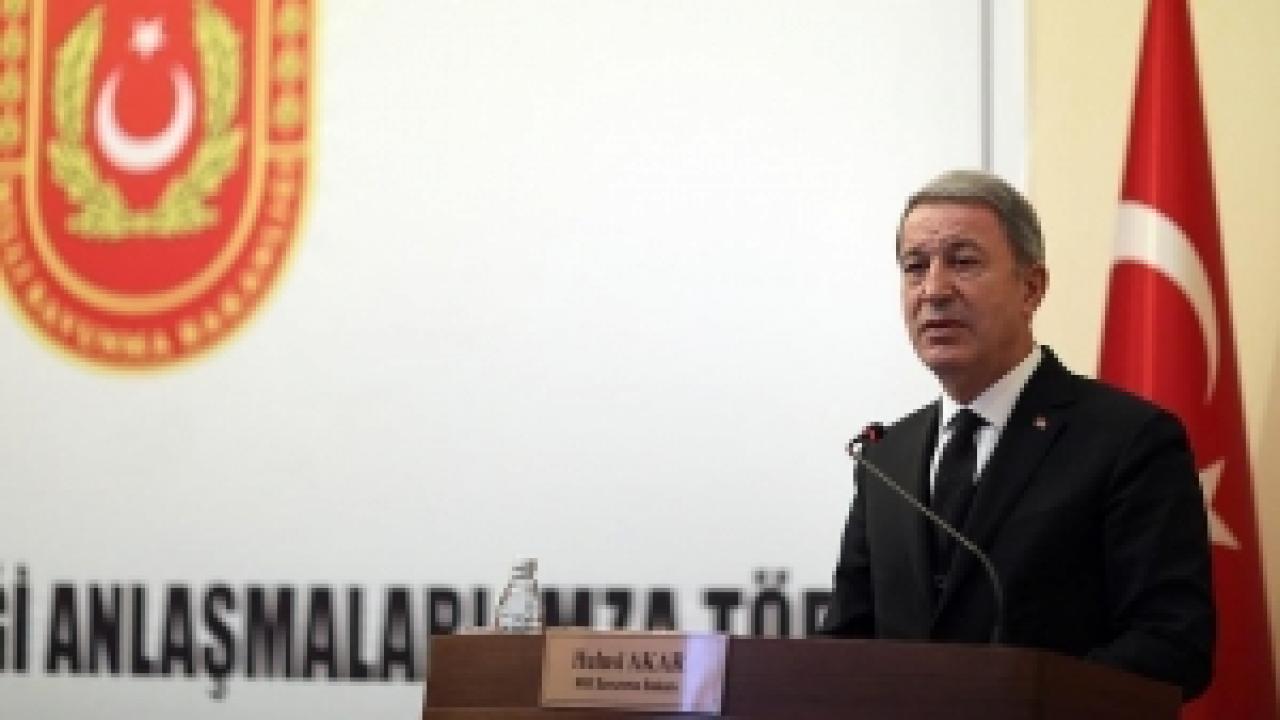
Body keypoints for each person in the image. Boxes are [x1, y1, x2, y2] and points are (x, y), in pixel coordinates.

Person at [819, 169, 1214, 699]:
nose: (934, 290)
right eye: (915, 267)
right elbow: (845, 646)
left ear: (1031, 288)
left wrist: (1018, 702)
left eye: (963, 262)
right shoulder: (886, 458)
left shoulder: (1129, 440)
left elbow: (1172, 644)